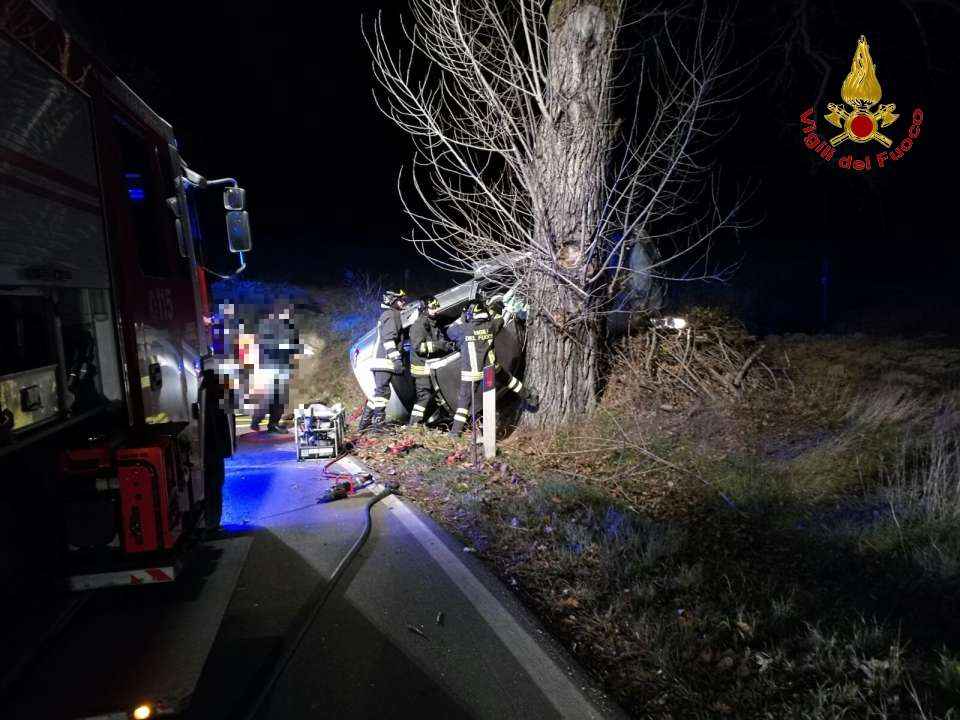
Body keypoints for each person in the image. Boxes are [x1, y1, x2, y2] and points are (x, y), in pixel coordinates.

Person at [445, 299, 537, 437]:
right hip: (491, 369)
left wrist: (463, 316)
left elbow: (450, 330)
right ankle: (529, 396)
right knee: (510, 381)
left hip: (471, 374)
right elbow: (500, 319)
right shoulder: (491, 326)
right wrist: (490, 310)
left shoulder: (464, 330)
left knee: (464, 403)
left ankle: (455, 433)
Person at [358, 289, 408, 430]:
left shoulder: (389, 314)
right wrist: (397, 360)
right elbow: (389, 340)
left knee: (379, 393)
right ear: (392, 301)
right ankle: (377, 426)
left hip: (381, 360)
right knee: (383, 393)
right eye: (401, 300)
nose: (403, 302)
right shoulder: (391, 315)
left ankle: (364, 424)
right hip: (384, 361)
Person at [407, 295, 456, 425]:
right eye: (433, 307)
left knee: (437, 395)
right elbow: (418, 347)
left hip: (431, 367)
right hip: (421, 368)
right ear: (424, 309)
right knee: (424, 396)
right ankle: (413, 425)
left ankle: (435, 421)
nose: (437, 310)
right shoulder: (419, 325)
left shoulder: (432, 323)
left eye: (437, 306)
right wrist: (440, 345)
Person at [251, 306, 300, 433]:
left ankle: (260, 420)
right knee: (275, 398)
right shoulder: (271, 327)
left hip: (275, 367)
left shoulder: (280, 327)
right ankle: (269, 423)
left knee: (272, 397)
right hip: (273, 368)